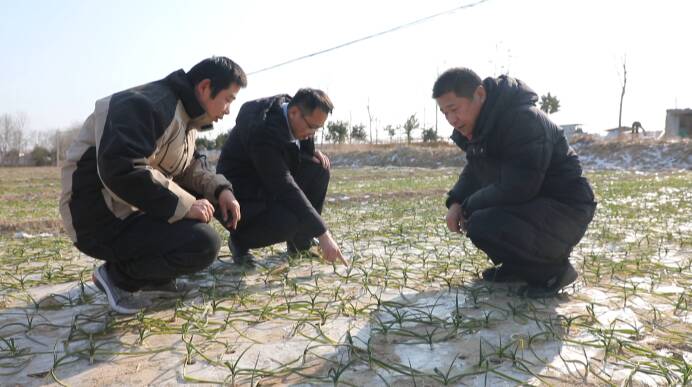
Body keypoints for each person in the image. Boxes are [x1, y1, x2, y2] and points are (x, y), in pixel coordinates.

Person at [59, 56, 247, 314]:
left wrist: (220, 190)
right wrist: (187, 205)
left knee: (205, 207)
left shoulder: (187, 120)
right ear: (205, 87)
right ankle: (117, 278)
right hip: (94, 215)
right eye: (228, 99)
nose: (227, 109)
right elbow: (123, 168)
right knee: (202, 242)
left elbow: (189, 166)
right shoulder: (149, 105)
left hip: (124, 207)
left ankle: (154, 279)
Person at [433, 68, 596, 298]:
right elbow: (475, 170)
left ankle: (554, 271)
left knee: (482, 220)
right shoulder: (483, 127)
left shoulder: (522, 120)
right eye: (444, 113)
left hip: (567, 209)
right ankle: (519, 268)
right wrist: (456, 202)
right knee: (478, 219)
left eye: (454, 109)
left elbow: (520, 186)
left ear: (479, 94)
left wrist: (468, 205)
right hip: (537, 206)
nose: (451, 120)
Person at [216, 88, 347, 267]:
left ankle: (300, 243)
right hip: (240, 194)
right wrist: (323, 234)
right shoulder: (261, 130)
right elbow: (284, 185)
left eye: (318, 128)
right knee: (291, 221)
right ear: (293, 113)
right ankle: (240, 241)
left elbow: (301, 142)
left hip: (267, 180)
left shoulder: (293, 109)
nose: (313, 133)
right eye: (312, 127)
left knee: (319, 169)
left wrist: (311, 152)